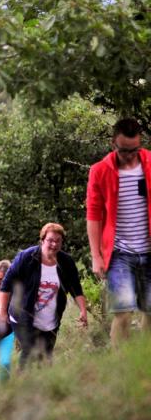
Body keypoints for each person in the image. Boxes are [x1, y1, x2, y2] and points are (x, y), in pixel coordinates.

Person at [87, 117, 151, 346]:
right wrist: (96, 257)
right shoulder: (100, 171)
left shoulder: (150, 163)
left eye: (135, 149)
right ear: (114, 143)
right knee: (123, 312)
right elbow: (93, 216)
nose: (130, 155)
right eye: (125, 150)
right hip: (119, 253)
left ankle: (144, 366)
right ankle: (121, 370)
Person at [0, 223, 87, 367]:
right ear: (42, 240)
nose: (54, 244)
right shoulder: (26, 257)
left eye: (58, 241)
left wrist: (83, 311)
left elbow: (75, 288)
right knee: (30, 351)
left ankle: (42, 387)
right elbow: (6, 284)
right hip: (22, 315)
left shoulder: (66, 262)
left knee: (45, 359)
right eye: (50, 240)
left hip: (50, 320)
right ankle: (21, 387)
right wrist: (2, 312)